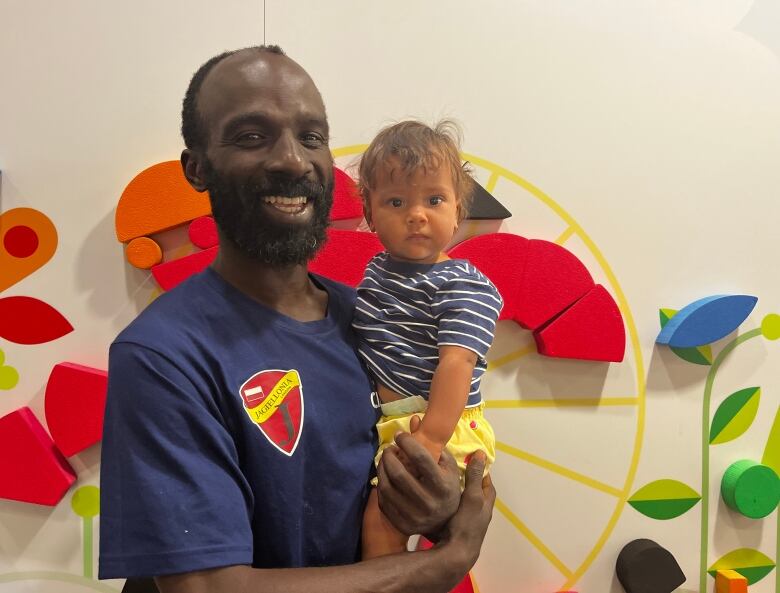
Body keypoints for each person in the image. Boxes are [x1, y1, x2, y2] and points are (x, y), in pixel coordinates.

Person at [98, 45, 496, 593]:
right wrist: (443, 563)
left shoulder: (369, 323)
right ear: (197, 168)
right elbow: (206, 589)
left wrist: (439, 502)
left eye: (312, 137)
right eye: (252, 136)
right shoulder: (164, 354)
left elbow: (439, 465)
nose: (292, 160)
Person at [353, 121, 502, 558]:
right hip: (395, 421)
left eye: (434, 200)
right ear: (371, 214)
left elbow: (457, 364)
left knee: (382, 523)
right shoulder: (378, 271)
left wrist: (432, 438)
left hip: (436, 423)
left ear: (458, 209)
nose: (416, 214)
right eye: (396, 201)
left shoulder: (461, 283)